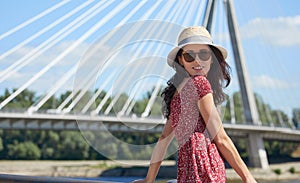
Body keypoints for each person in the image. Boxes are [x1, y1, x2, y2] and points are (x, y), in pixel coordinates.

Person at [132, 26, 257, 183]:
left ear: (212, 58)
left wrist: (148, 180)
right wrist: (248, 178)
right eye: (190, 56)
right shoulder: (200, 84)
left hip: (187, 172)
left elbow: (163, 139)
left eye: (203, 54)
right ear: (181, 60)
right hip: (206, 170)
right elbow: (221, 138)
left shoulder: (176, 93)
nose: (197, 61)